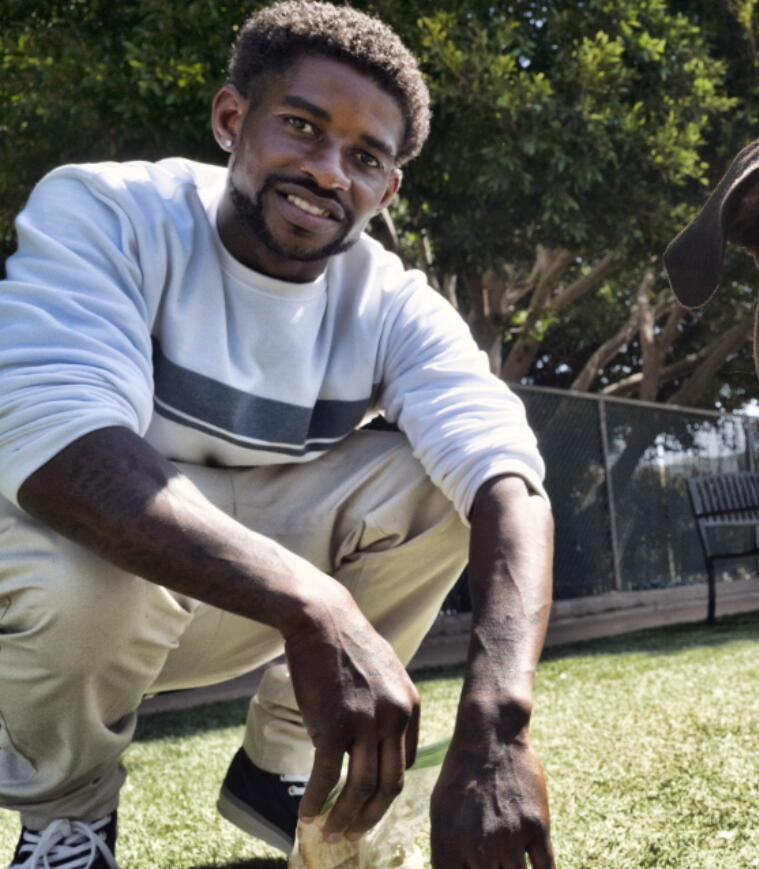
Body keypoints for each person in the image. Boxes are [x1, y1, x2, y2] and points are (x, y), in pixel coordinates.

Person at [0, 3, 556, 867]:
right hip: (72, 596)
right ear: (232, 119)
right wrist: (316, 601)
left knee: (448, 488)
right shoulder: (108, 208)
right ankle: (66, 816)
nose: (329, 171)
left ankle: (284, 772)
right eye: (301, 126)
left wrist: (499, 719)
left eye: (366, 157)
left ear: (387, 189)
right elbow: (63, 452)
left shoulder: (391, 300)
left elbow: (507, 481)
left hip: (233, 600)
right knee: (80, 560)